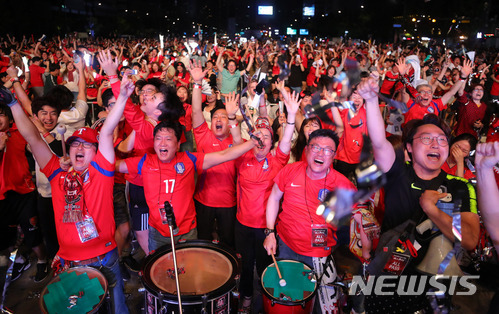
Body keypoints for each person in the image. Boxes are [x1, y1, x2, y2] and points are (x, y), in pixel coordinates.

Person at [3, 54, 134, 313]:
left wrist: (119, 92)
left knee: (117, 309)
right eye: (75, 144)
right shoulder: (57, 173)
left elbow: (107, 131)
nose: (80, 148)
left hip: (105, 257)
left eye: (87, 145)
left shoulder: (102, 173)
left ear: (97, 153)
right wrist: (14, 105)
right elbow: (34, 139)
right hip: (70, 261)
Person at [359, 75, 480, 312]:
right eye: (426, 139)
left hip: (435, 284)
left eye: (442, 140)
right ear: (409, 148)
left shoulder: (459, 186)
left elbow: (469, 239)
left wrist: (432, 210)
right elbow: (379, 142)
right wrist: (371, 101)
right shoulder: (397, 173)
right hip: (389, 278)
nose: (435, 144)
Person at [116, 119, 260, 252]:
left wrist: (252, 143)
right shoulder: (145, 162)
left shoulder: (189, 159)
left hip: (187, 231)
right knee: (161, 274)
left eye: (168, 139)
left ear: (178, 144)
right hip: (157, 232)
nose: (163, 143)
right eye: (158, 139)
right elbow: (112, 166)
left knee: (188, 271)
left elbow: (224, 155)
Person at [264, 129, 356, 312]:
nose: (320, 153)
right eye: (315, 147)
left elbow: (360, 215)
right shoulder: (290, 171)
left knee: (323, 307)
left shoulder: (342, 183)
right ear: (306, 150)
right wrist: (269, 232)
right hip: (285, 248)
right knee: (288, 300)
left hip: (319, 255)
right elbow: (274, 198)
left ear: (334, 156)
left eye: (327, 150)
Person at [234, 89, 299, 312]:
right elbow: (235, 139)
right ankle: (246, 299)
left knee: (264, 266)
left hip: (266, 228)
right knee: (244, 265)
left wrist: (291, 117)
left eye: (266, 136)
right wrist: (234, 118)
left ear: (273, 142)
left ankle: (267, 301)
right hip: (242, 224)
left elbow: (287, 137)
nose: (261, 138)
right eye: (257, 135)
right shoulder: (243, 156)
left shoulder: (277, 160)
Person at [188, 61, 241, 248]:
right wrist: (196, 84)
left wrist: (233, 115)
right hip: (203, 201)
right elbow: (195, 111)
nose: (218, 119)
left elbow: (239, 140)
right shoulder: (203, 135)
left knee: (228, 244)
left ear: (229, 123)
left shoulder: (235, 141)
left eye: (223, 117)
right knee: (203, 242)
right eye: (215, 117)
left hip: (228, 203)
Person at [0, 102, 48, 283]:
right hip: (2, 196)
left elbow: (34, 147)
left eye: (1, 115)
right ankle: (18, 259)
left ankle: (43, 261)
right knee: (4, 235)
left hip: (24, 192)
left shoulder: (19, 133)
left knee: (32, 232)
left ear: (9, 118)